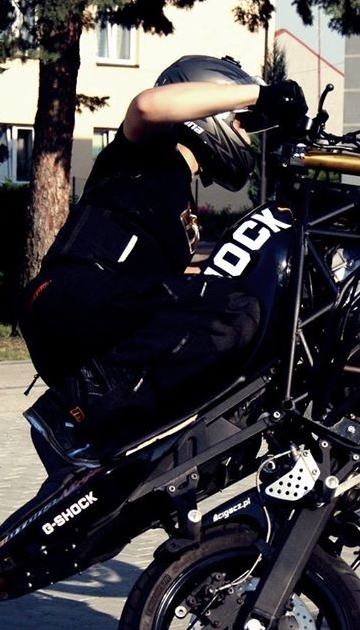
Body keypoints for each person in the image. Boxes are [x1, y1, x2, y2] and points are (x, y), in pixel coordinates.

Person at [19, 54, 308, 470]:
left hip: (101, 320)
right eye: (241, 123)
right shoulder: (145, 152)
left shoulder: (181, 204)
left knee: (221, 313)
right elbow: (147, 105)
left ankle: (104, 461)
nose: (245, 137)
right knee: (237, 309)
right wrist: (260, 94)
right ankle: (67, 415)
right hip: (73, 294)